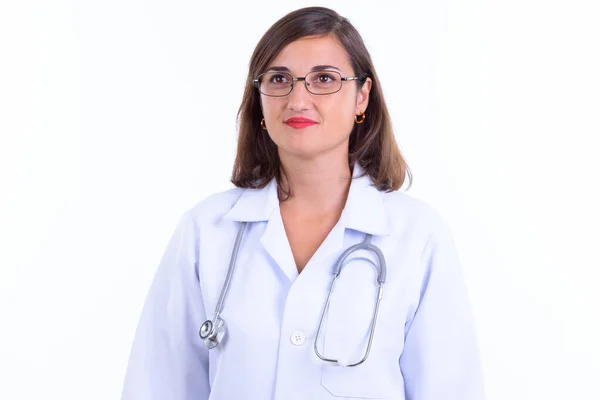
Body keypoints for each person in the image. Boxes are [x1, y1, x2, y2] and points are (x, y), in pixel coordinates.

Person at [121, 6, 485, 400]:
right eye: (279, 79)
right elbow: (156, 385)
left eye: (324, 79)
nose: (297, 99)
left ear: (362, 96)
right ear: (259, 98)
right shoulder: (206, 230)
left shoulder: (418, 237)